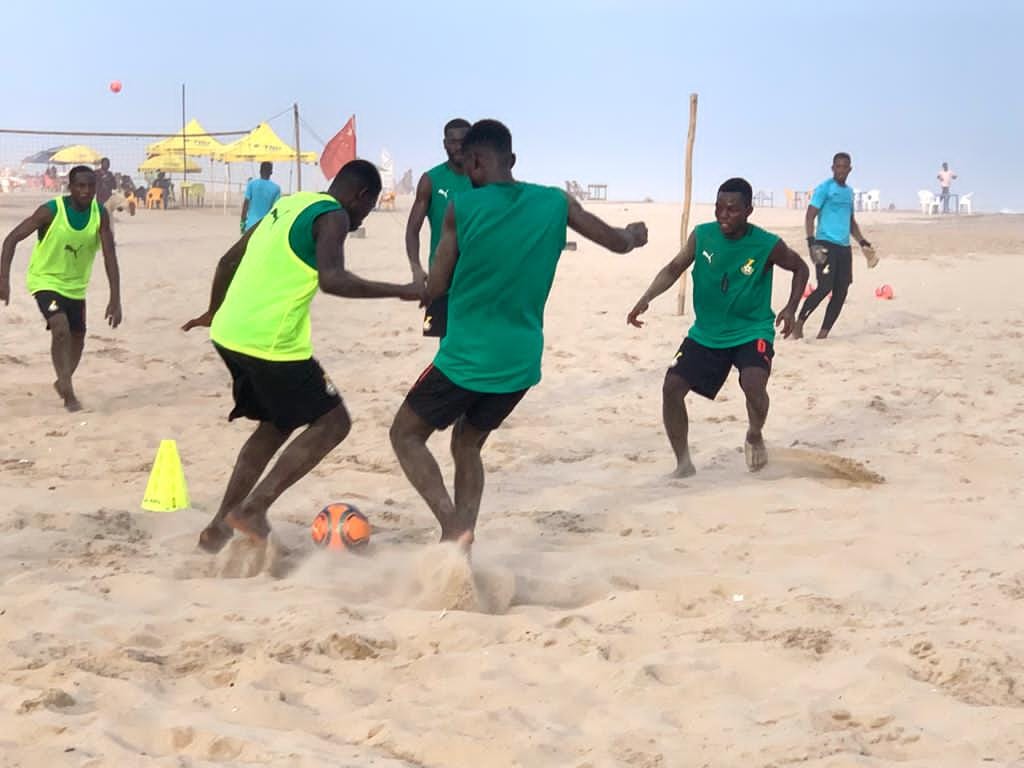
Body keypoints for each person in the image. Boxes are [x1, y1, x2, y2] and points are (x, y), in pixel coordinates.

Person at [389, 119, 648, 547]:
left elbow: (436, 287)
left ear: (473, 163)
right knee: (467, 444)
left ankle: (452, 526)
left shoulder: (461, 208)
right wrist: (635, 235)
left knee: (405, 434)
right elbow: (617, 242)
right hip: (521, 364)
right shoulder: (555, 202)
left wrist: (402, 288)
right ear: (511, 160)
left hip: (465, 360)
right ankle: (463, 540)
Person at [181, 160, 424, 553]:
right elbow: (334, 280)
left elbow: (228, 260)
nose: (364, 216)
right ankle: (253, 508)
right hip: (270, 343)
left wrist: (214, 311)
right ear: (360, 196)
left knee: (275, 425)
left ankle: (218, 528)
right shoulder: (333, 216)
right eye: (368, 207)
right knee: (333, 423)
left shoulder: (291, 203)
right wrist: (401, 290)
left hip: (229, 334)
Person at [627, 177, 808, 476]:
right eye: (719, 208)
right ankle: (683, 463)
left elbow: (800, 267)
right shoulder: (702, 235)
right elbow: (674, 268)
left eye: (732, 209)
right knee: (671, 388)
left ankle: (754, 432)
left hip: (752, 329)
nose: (723, 215)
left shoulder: (767, 244)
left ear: (749, 210)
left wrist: (791, 308)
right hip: (707, 332)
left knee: (753, 384)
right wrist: (646, 298)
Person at [1, 165, 123, 411]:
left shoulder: (100, 214)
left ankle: (63, 379)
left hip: (76, 287)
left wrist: (116, 298)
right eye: (80, 186)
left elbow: (110, 257)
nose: (86, 191)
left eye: (91, 186)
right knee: (60, 327)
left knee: (78, 337)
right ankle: (68, 392)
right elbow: (11, 239)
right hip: (45, 280)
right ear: (71, 187)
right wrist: (3, 279)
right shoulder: (52, 210)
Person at [792, 152, 875, 340]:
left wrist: (862, 241)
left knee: (841, 290)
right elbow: (810, 216)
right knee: (824, 287)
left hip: (844, 248)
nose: (841, 170)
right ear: (832, 168)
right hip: (824, 244)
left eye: (845, 167)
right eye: (838, 166)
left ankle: (823, 334)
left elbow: (850, 221)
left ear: (850, 169)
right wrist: (811, 243)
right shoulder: (824, 189)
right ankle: (799, 322)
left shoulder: (849, 192)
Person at [404, 118, 473, 338]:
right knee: (446, 347)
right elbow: (412, 230)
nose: (458, 147)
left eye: (464, 141)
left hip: (478, 278)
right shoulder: (431, 180)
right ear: (444, 144)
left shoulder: (485, 180)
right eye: (453, 142)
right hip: (441, 280)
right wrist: (416, 267)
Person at [241, 161, 281, 234]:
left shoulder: (252, 184)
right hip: (265, 226)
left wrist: (242, 223)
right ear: (271, 172)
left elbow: (245, 205)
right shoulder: (276, 188)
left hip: (250, 226)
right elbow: (276, 209)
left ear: (260, 171)